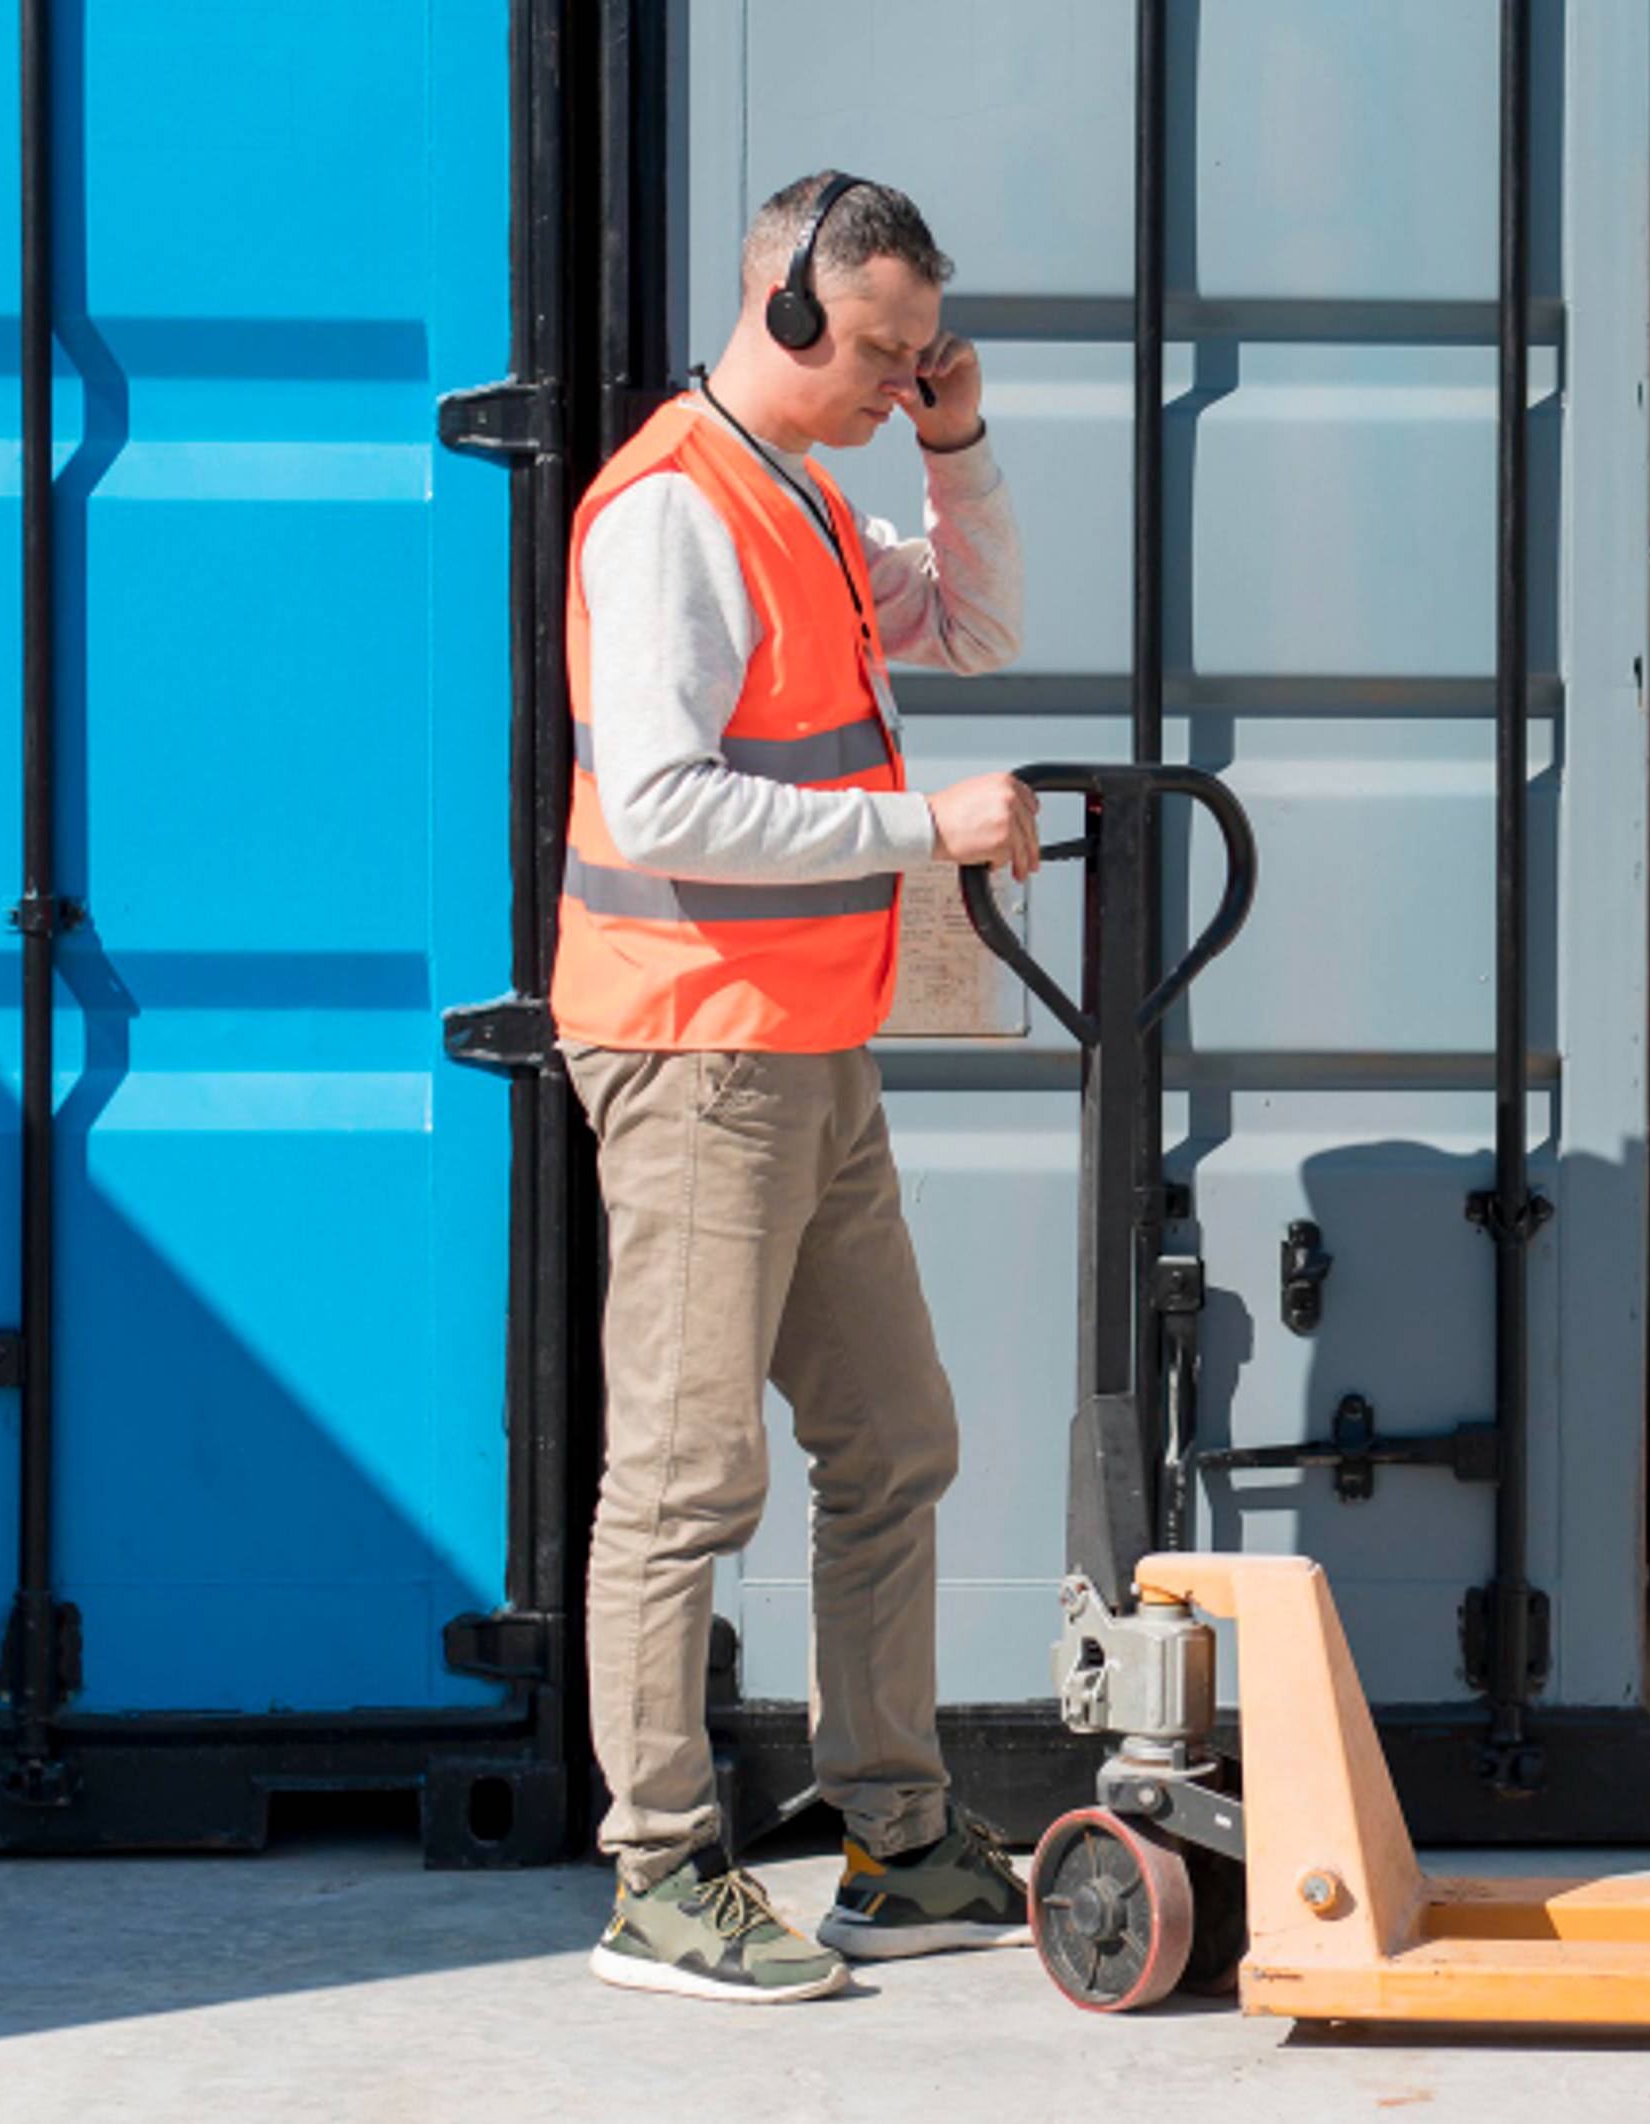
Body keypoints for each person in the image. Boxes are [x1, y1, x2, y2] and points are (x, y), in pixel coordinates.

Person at [554, 170, 1042, 2003]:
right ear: (782, 312)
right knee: (684, 1480)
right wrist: (929, 827)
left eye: (929, 357)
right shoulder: (672, 513)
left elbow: (976, 632)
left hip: (805, 1050)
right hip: (694, 1050)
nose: (905, 382)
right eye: (888, 354)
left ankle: (896, 1842)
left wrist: (963, 441)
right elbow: (667, 801)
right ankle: (659, 1875)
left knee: (894, 1441)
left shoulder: (811, 501)